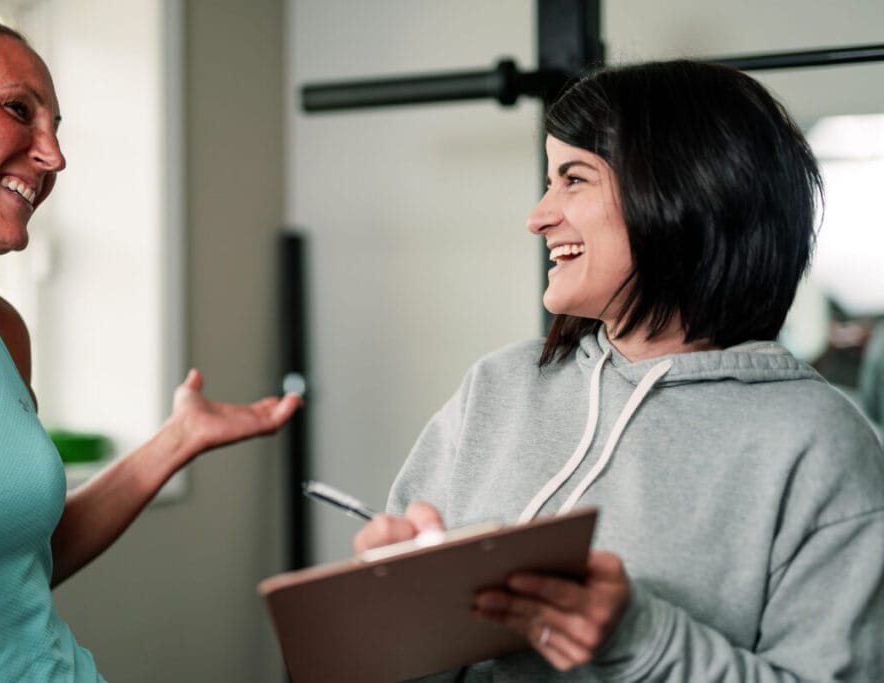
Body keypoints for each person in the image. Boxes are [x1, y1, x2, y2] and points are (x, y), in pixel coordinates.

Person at [354, 60, 884, 681]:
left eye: (573, 179)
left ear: (685, 190)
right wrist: (385, 613)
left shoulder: (817, 441)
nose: (538, 216)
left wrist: (644, 641)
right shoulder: (496, 388)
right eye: (549, 180)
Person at [0, 10, 301, 681]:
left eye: (56, 129)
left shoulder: (0, 329)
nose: (53, 156)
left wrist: (176, 440)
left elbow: (14, 556)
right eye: (17, 110)